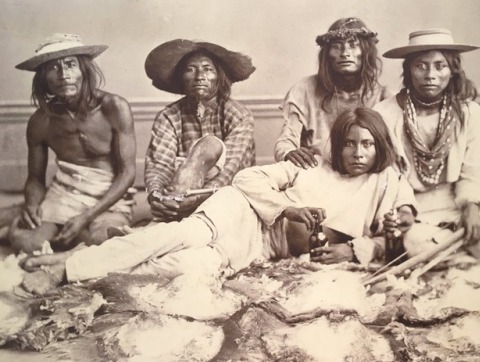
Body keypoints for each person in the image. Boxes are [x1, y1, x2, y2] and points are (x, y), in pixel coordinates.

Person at [20, 107, 417, 295]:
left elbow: (403, 228)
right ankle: (64, 270)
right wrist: (287, 208)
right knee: (174, 238)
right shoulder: (312, 165)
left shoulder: (385, 181)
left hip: (262, 247)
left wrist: (357, 248)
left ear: (379, 146)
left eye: (366, 144)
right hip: (239, 213)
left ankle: (72, 262)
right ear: (338, 145)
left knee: (176, 268)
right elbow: (246, 178)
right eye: (349, 143)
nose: (357, 152)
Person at [374, 29, 480, 258]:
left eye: (440, 66)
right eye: (421, 66)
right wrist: (404, 210)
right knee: (419, 246)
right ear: (408, 70)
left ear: (452, 70)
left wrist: (472, 209)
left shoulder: (470, 112)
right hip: (412, 208)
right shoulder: (385, 114)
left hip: (457, 203)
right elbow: (389, 176)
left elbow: (473, 171)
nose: (430, 74)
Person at [9, 33, 137, 254]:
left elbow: (127, 173)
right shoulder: (41, 121)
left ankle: (73, 241)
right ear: (43, 78)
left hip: (109, 194)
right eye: (53, 68)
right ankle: (26, 217)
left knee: (104, 242)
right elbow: (35, 179)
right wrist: (31, 203)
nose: (63, 74)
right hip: (65, 192)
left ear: (84, 71)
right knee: (27, 243)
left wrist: (86, 216)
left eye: (70, 65)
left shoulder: (114, 107)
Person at [143, 39, 256, 222]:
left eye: (208, 69)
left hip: (227, 198)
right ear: (181, 77)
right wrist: (156, 196)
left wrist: (194, 199)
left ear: (219, 77)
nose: (199, 76)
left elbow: (229, 171)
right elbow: (159, 165)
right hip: (177, 196)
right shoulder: (168, 116)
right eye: (190, 69)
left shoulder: (239, 115)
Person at [275, 17, 392, 169]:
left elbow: (390, 150)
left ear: (366, 52)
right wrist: (289, 152)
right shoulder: (304, 89)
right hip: (317, 172)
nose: (345, 53)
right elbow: (286, 139)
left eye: (353, 45)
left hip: (365, 175)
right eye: (337, 47)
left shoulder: (382, 96)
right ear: (327, 55)